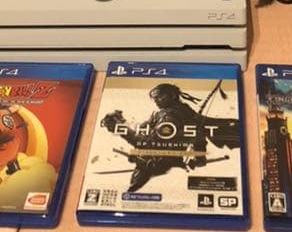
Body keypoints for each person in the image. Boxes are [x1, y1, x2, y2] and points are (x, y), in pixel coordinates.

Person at [101, 82, 238, 192]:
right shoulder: (173, 112)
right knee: (133, 189)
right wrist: (200, 157)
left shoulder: (170, 116)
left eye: (159, 96)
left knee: (132, 190)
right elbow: (144, 129)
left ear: (172, 96)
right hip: (160, 160)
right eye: (154, 97)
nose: (156, 100)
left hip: (157, 162)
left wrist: (121, 129)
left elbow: (149, 143)